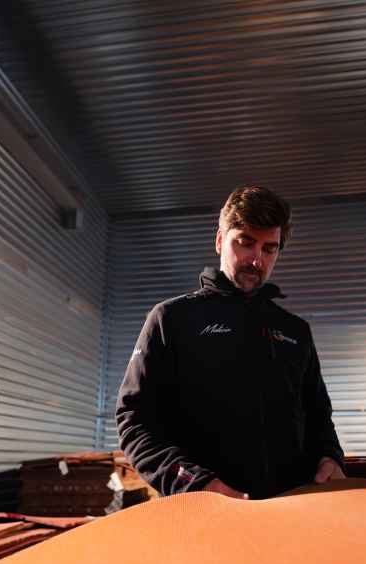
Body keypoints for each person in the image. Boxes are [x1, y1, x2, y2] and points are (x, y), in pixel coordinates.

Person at [116, 185, 346, 500]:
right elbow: (134, 420)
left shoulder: (295, 331)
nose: (257, 260)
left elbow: (318, 417)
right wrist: (196, 484)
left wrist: (330, 457)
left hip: (291, 510)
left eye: (269, 249)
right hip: (203, 511)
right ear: (220, 240)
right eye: (246, 243)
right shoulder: (171, 319)